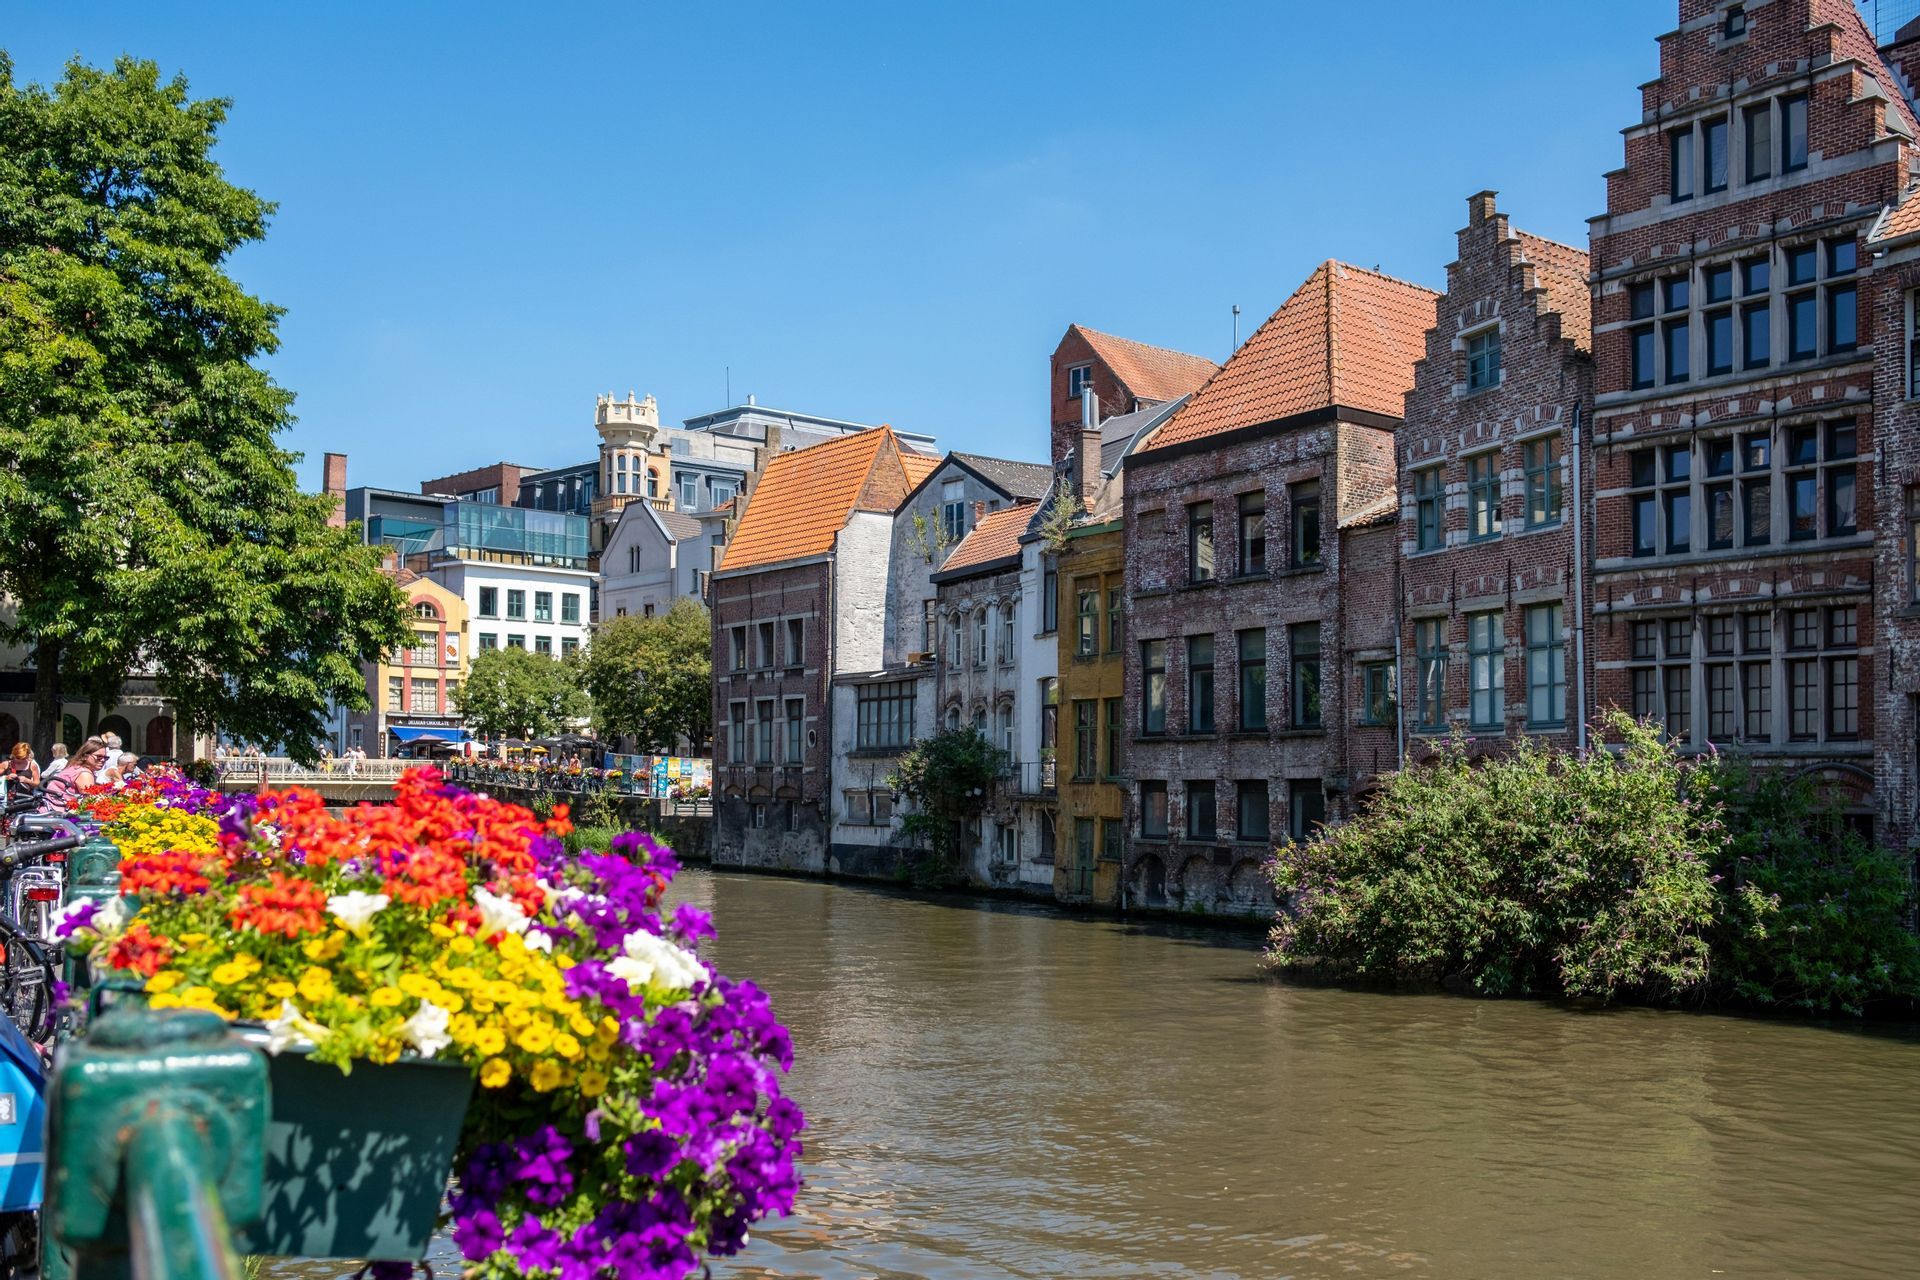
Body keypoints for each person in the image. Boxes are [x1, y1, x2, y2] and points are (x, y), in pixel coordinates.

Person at [41, 736, 108, 811]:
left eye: (105, 757)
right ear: (85, 755)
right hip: (58, 816)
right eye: (98, 756)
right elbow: (91, 801)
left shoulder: (74, 767)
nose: (102, 760)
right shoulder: (84, 774)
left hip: (49, 811)